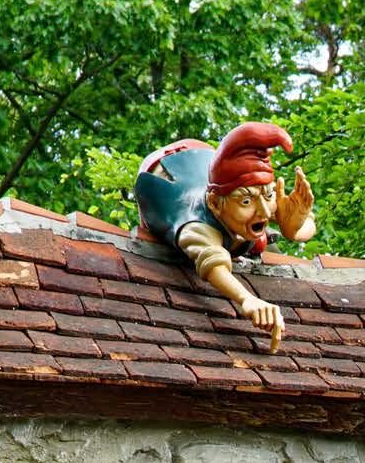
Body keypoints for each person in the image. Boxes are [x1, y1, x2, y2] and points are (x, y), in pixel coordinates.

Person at [133, 122, 316, 352]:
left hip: (204, 159)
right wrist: (247, 299)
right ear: (214, 204)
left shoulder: (256, 197)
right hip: (163, 171)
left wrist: (293, 227)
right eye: (246, 201)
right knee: (251, 240)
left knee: (257, 236)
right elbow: (213, 263)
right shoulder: (194, 221)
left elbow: (305, 222)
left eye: (268, 196)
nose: (263, 210)